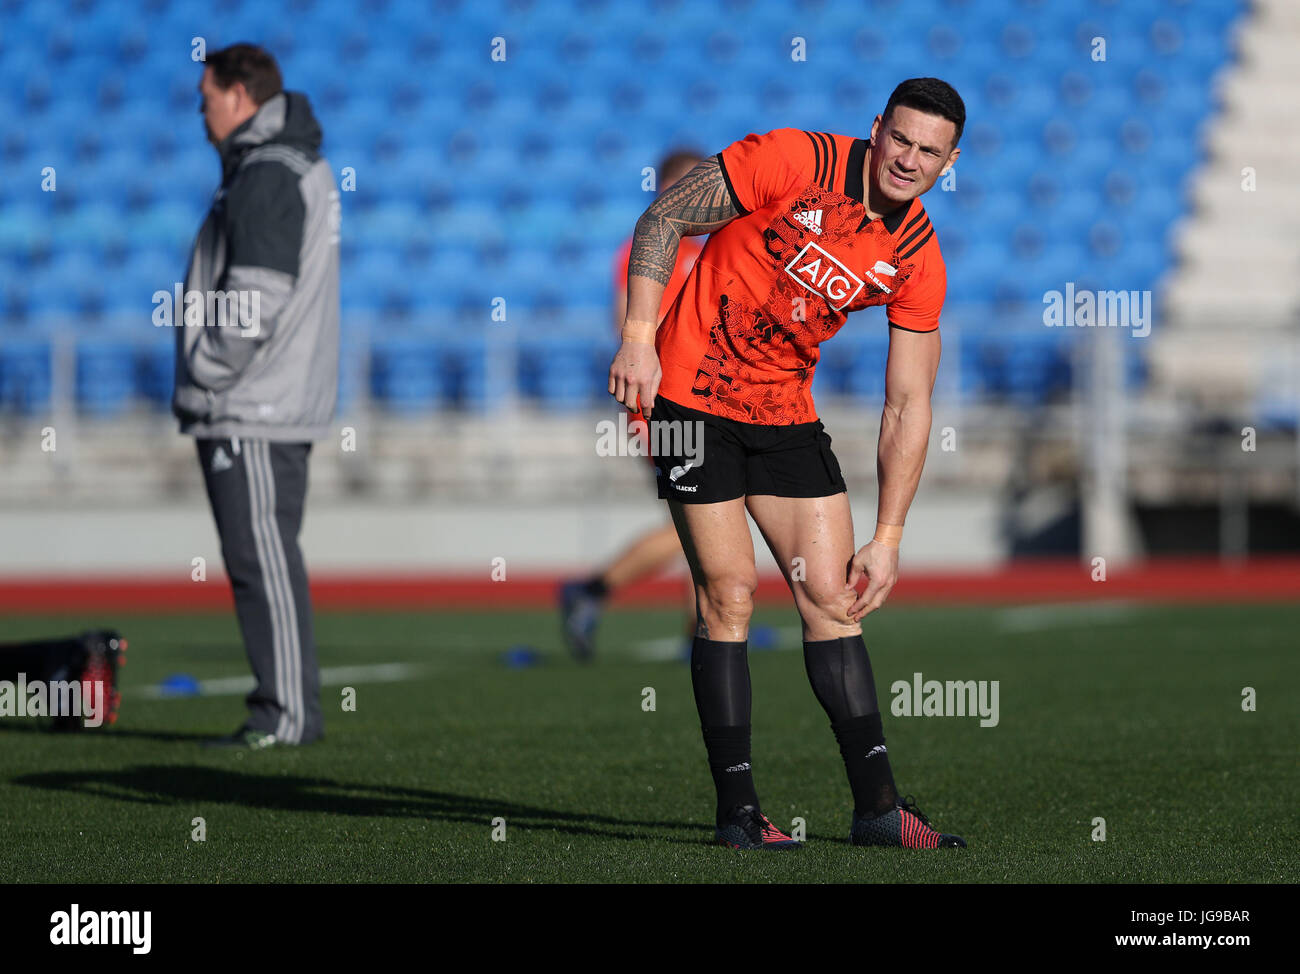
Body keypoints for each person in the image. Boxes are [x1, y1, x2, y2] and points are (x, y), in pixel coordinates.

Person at [607, 78, 967, 849]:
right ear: (877, 129)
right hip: (686, 398)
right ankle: (737, 815)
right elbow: (665, 214)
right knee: (728, 595)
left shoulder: (917, 256)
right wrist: (638, 334)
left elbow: (908, 404)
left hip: (783, 413)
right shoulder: (793, 158)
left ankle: (878, 811)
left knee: (834, 600)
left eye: (928, 151)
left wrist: (891, 535)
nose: (908, 159)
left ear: (950, 161)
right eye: (899, 139)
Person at [172, 43, 340, 749]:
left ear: (239, 95)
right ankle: (282, 709)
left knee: (261, 557)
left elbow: (256, 301)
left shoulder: (267, 170)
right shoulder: (280, 163)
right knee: (259, 555)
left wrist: (205, 371)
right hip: (265, 401)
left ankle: (286, 715)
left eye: (206, 93)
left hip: (254, 405)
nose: (200, 108)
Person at [559, 149, 704, 661]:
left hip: (699, 398)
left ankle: (704, 629)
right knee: (703, 512)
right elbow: (629, 325)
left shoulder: (701, 247)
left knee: (705, 514)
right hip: (663, 400)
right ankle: (594, 589)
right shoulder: (649, 244)